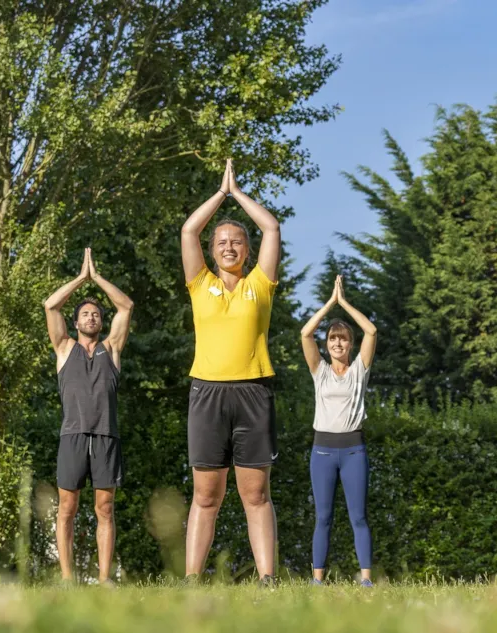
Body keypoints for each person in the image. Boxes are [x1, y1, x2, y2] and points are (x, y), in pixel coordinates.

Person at [180, 159, 281, 586]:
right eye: (221, 241)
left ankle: (268, 578)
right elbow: (189, 231)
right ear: (212, 249)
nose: (228, 247)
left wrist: (238, 194)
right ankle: (191, 579)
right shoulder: (200, 283)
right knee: (206, 495)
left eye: (236, 241)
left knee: (255, 493)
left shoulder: (260, 284)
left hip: (253, 393)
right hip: (207, 394)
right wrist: (220, 194)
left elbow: (271, 227)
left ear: (247, 250)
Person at [43, 247, 134, 585]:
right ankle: (68, 579)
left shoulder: (112, 349)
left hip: (107, 437)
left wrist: (98, 278)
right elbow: (50, 305)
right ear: (76, 322)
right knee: (67, 509)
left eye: (96, 314)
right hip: (73, 436)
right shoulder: (64, 348)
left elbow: (125, 306)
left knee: (104, 509)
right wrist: (81, 279)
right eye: (85, 314)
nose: (92, 317)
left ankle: (105, 579)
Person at [300, 275, 377, 587]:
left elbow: (371, 330)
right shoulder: (319, 371)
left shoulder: (359, 371)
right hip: (322, 451)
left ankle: (366, 580)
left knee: (358, 516)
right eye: (332, 338)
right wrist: (329, 303)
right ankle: (317, 580)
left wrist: (344, 303)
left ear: (350, 344)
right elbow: (305, 333)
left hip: (354, 451)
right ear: (327, 344)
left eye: (343, 339)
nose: (337, 343)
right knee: (323, 517)